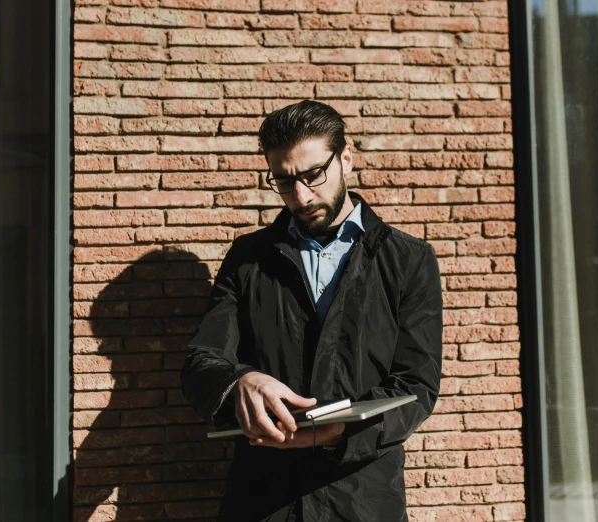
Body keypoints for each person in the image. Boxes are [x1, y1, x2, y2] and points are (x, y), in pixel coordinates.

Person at [180, 100, 443, 522]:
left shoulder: (408, 260)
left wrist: (341, 433)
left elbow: (417, 386)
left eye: (313, 175)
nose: (300, 196)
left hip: (362, 501)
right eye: (284, 182)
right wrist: (239, 381)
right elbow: (201, 362)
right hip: (262, 501)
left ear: (346, 158)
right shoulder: (248, 258)